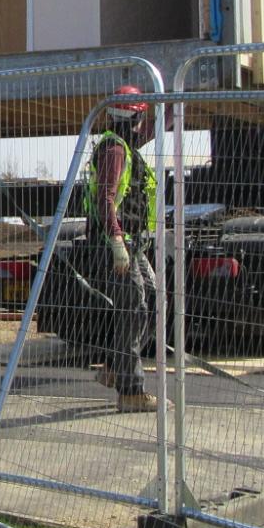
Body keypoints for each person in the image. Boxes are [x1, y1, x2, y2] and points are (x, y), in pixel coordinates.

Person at [55, 85, 159, 413]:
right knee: (134, 307)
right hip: (117, 244)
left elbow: (154, 129)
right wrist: (116, 241)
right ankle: (130, 390)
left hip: (133, 243)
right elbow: (106, 198)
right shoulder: (114, 150)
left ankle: (117, 366)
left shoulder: (124, 143)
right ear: (135, 117)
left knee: (151, 299)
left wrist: (167, 102)